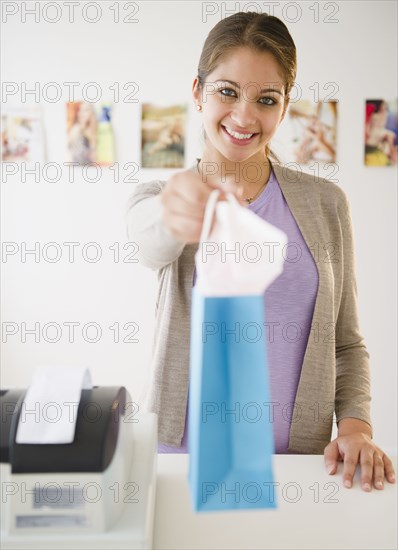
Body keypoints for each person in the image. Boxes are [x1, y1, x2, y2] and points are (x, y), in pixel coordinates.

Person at [126, 12, 395, 491]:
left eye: (265, 99)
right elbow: (149, 241)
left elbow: (346, 341)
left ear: (284, 106)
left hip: (297, 468)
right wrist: (178, 210)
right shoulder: (161, 197)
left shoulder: (325, 204)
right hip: (181, 463)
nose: (245, 116)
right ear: (197, 92)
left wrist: (355, 428)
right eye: (227, 91)